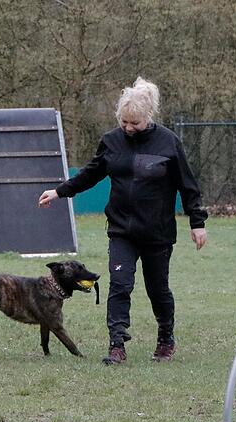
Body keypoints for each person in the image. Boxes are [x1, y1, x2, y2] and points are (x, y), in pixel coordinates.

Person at [38, 77, 208, 365]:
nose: (128, 128)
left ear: (148, 117)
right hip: (121, 230)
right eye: (124, 122)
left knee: (158, 289)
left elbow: (187, 185)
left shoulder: (168, 142)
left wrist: (197, 221)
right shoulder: (112, 141)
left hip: (157, 232)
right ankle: (117, 344)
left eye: (135, 123)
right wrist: (59, 191)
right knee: (119, 284)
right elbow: (91, 174)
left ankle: (166, 338)